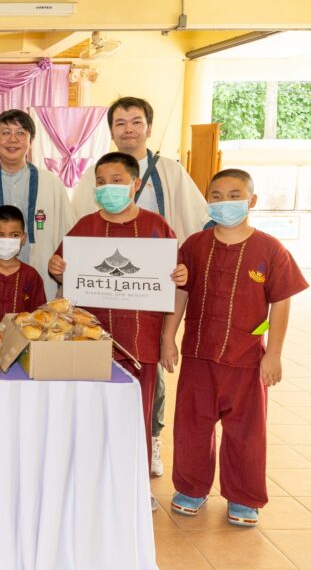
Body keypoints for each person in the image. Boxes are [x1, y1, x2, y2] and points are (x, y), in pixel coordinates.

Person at [71, 96, 209, 478]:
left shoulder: (170, 171)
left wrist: (183, 268)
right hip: (102, 299)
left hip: (149, 296)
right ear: (111, 131)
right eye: (120, 123)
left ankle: (151, 439)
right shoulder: (95, 174)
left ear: (148, 127)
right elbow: (77, 233)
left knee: (149, 380)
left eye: (135, 121)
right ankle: (98, 460)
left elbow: (197, 220)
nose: (128, 129)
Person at [163, 169, 308, 527]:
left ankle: (243, 497)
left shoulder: (271, 250)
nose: (224, 203)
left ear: (251, 200)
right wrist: (168, 338)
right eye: (216, 196)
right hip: (198, 355)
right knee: (192, 426)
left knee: (246, 431)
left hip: (247, 359)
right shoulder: (194, 246)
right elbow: (179, 293)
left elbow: (281, 302)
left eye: (234, 196)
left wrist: (274, 354)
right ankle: (191, 489)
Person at [48, 152, 188, 512]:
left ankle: (135, 488)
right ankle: (89, 486)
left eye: (116, 180)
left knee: (136, 417)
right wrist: (57, 267)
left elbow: (175, 286)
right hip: (90, 344)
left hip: (141, 342)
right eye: (100, 181)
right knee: (90, 416)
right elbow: (64, 280)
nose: (107, 187)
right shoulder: (84, 228)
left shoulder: (157, 228)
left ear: (135, 184)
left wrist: (169, 335)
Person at [0, 109, 75, 299]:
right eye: (6, 132)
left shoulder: (52, 185)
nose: (13, 139)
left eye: (21, 133)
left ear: (31, 140)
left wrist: (63, 279)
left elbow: (68, 235)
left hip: (40, 275)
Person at [0, 205, 46, 322]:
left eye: (14, 235)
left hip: (21, 334)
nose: (6, 240)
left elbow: (39, 317)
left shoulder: (31, 276)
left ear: (23, 238)